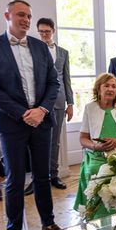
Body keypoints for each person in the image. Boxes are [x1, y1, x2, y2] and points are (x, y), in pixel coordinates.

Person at [0, 0, 61, 230]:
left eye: (29, 16)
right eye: (21, 15)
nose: (26, 20)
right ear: (7, 15)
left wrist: (42, 110)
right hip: (11, 124)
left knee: (43, 175)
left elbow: (53, 83)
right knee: (14, 178)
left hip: (42, 121)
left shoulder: (40, 46)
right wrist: (24, 113)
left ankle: (48, 222)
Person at [73, 73, 116, 218]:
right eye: (106, 86)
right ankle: (95, 217)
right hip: (96, 155)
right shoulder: (90, 108)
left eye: (114, 86)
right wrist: (96, 147)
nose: (110, 89)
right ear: (98, 89)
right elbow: (83, 138)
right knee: (94, 171)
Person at [36, 17, 74, 190]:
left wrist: (70, 103)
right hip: (37, 102)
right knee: (37, 142)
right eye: (41, 31)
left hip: (58, 101)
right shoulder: (32, 50)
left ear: (53, 31)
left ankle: (54, 175)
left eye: (47, 31)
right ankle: (38, 178)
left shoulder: (63, 52)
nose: (44, 34)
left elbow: (66, 79)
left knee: (55, 141)